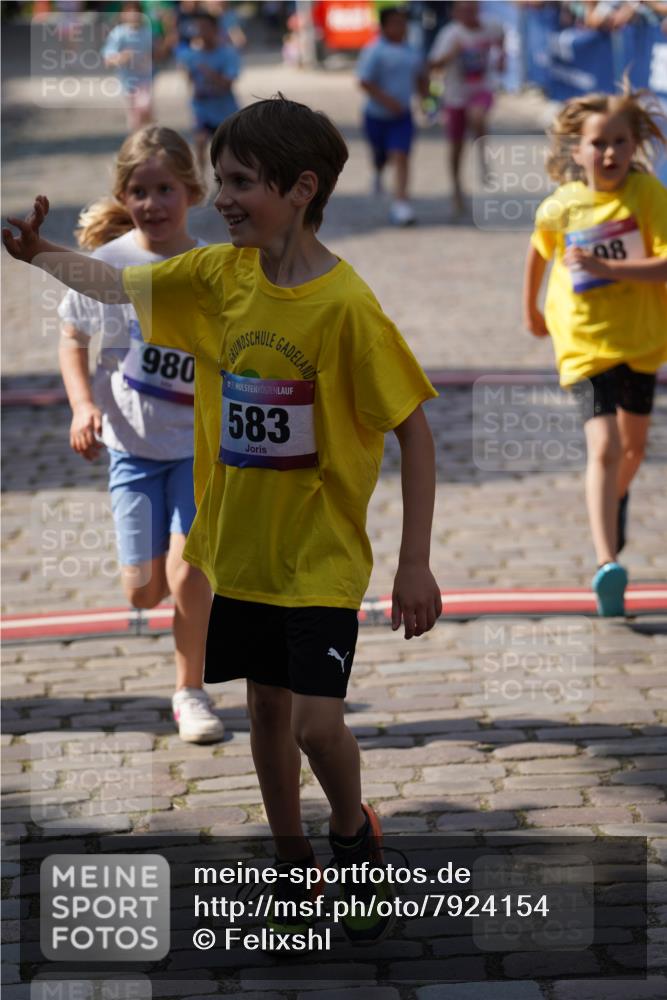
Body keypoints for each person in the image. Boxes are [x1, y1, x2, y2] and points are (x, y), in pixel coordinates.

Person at [3, 96, 442, 945]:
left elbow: (414, 428)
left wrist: (413, 563)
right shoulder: (217, 278)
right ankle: (290, 861)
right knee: (267, 716)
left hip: (316, 557)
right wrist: (43, 257)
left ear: (302, 188)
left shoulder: (345, 306)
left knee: (317, 723)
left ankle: (350, 835)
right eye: (223, 180)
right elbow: (122, 283)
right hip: (235, 552)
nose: (223, 199)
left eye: (241, 182)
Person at [56, 126, 223, 744]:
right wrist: (81, 406)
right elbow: (72, 338)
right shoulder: (110, 265)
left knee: (187, 577)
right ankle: (161, 592)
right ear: (123, 196)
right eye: (140, 191)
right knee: (143, 589)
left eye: (165, 189)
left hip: (196, 451)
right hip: (130, 449)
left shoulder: (209, 268)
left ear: (192, 191)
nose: (153, 203)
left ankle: (191, 691)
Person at [523, 87, 667, 617]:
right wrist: (531, 310)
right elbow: (538, 254)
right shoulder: (561, 205)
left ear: (635, 145)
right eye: (598, 143)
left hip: (644, 340)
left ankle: (612, 501)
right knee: (603, 447)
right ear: (577, 150)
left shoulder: (649, 196)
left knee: (632, 451)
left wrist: (612, 270)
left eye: (620, 142)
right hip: (582, 342)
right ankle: (608, 564)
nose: (609, 153)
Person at [428, 0, 504, 218]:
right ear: (455, 13)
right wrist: (451, 54)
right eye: (464, 10)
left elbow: (501, 39)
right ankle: (456, 190)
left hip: (482, 88)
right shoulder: (450, 35)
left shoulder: (492, 25)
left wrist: (502, 58)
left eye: (473, 9)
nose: (470, 14)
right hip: (455, 96)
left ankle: (483, 162)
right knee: (456, 147)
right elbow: (433, 65)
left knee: (478, 116)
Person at [357, 4, 428, 225]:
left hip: (402, 117)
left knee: (401, 155)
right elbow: (365, 82)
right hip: (376, 116)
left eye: (403, 22)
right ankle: (378, 171)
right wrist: (387, 101)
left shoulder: (412, 51)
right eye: (395, 23)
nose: (401, 27)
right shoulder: (374, 51)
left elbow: (420, 77)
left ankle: (401, 203)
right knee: (382, 155)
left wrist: (425, 98)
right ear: (384, 26)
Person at [177, 10, 241, 174]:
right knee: (200, 141)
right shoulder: (191, 55)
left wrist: (208, 73)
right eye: (198, 28)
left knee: (225, 150)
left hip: (225, 110)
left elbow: (228, 83)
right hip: (201, 108)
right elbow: (189, 79)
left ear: (215, 29)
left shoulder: (227, 53)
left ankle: (225, 179)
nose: (201, 32)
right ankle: (200, 178)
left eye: (205, 27)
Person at [102, 1, 155, 132]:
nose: (133, 15)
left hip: (145, 77)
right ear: (122, 15)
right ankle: (137, 141)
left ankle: (147, 132)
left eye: (136, 12)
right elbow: (108, 59)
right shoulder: (119, 33)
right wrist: (121, 57)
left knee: (145, 105)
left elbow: (155, 51)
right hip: (128, 79)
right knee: (134, 115)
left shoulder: (147, 32)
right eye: (129, 12)